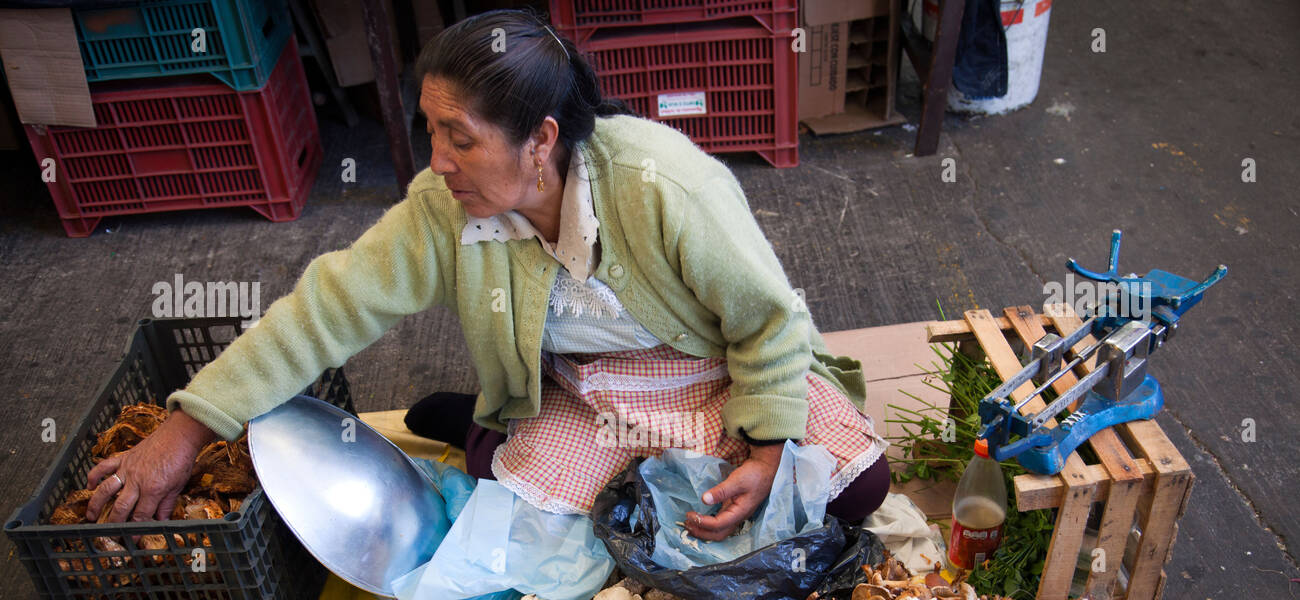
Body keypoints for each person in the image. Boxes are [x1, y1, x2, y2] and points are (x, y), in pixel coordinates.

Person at [86, 9, 891, 546]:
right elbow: (328, 307)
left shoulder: (662, 186)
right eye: (431, 130)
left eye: (460, 137)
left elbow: (766, 320)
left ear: (540, 141)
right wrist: (190, 427)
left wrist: (768, 442)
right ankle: (483, 423)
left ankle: (480, 423)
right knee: (506, 495)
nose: (438, 161)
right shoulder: (449, 206)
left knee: (854, 489)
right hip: (583, 389)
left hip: (716, 371)